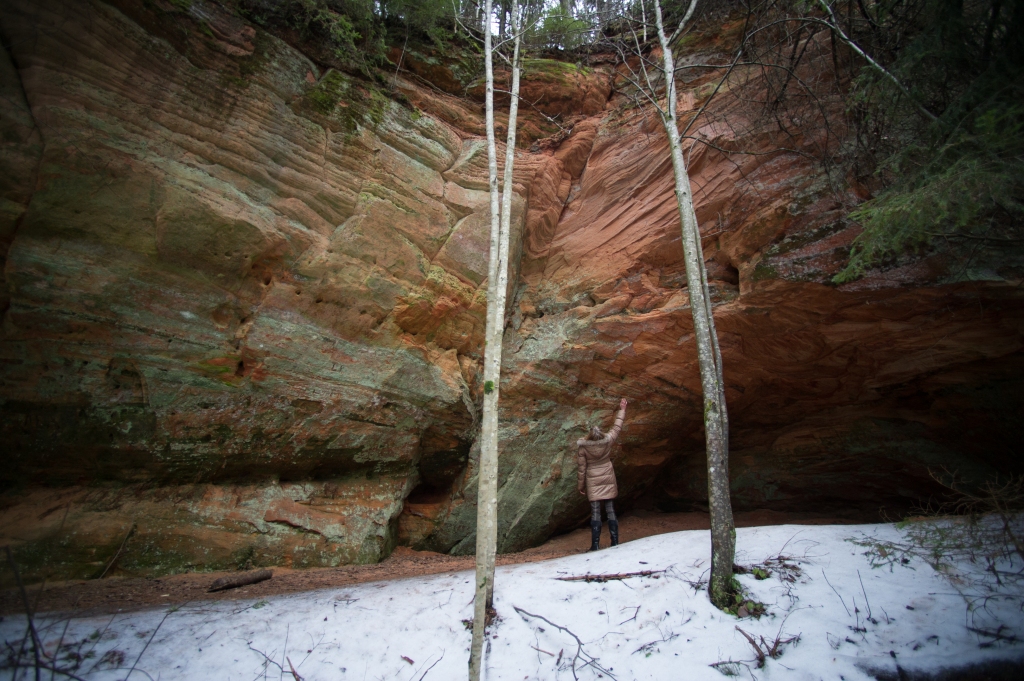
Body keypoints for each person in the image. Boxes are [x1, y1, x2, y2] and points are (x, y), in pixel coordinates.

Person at [576, 398, 627, 551]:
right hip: (607, 476)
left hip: (593, 479)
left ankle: (595, 545)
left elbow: (581, 468)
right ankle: (615, 542)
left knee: (596, 512)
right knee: (610, 509)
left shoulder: (584, 447)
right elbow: (617, 427)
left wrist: (581, 486)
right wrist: (622, 409)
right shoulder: (607, 441)